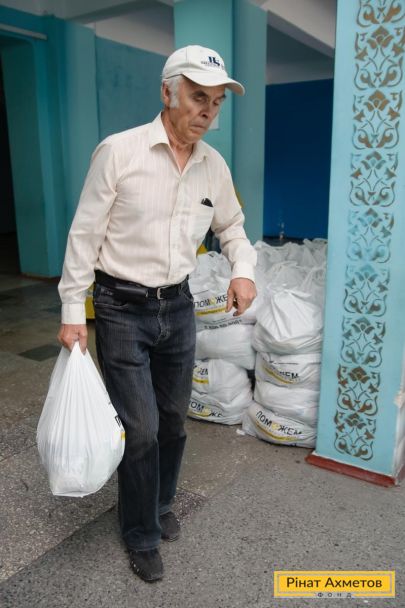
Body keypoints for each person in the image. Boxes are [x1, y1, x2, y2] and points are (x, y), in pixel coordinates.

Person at [58, 45, 257, 582]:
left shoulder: (213, 166)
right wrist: (72, 308)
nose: (207, 111)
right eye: (198, 97)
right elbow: (84, 234)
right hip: (121, 307)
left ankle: (159, 503)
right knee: (140, 429)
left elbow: (233, 227)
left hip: (179, 306)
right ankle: (140, 532)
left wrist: (243, 270)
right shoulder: (118, 152)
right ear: (167, 92)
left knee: (172, 421)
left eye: (216, 102)